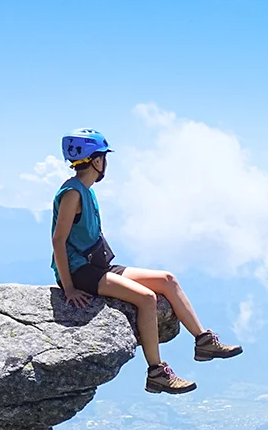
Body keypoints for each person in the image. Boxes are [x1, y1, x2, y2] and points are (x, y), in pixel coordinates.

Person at [50, 129, 242, 394]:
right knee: (147, 298)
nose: (106, 163)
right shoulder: (73, 194)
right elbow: (58, 240)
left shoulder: (85, 190)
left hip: (96, 265)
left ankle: (204, 341)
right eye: (104, 157)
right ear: (95, 160)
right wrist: (69, 287)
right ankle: (156, 373)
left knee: (167, 280)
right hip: (79, 270)